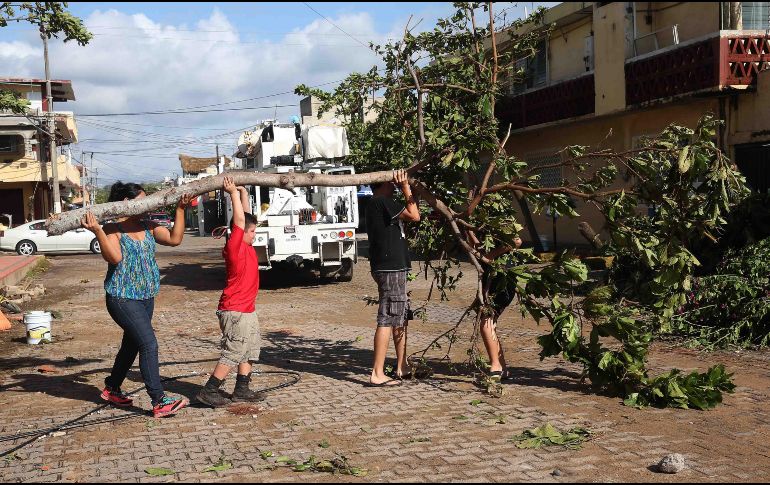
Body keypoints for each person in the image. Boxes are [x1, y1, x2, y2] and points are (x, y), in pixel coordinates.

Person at [81, 182, 192, 418]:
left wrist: (181, 209)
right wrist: (99, 231)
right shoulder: (112, 229)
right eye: (142, 201)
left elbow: (175, 239)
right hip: (122, 297)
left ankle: (112, 388)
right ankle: (159, 400)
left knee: (131, 345)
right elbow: (115, 258)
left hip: (145, 297)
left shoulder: (149, 226)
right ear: (126, 203)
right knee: (148, 344)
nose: (147, 205)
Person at [196, 176, 264, 407]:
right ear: (240, 233)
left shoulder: (245, 244)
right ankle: (209, 390)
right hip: (234, 310)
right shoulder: (235, 247)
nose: (255, 234)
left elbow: (244, 217)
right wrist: (232, 193)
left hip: (248, 309)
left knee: (250, 350)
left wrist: (244, 194)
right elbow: (239, 221)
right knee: (233, 351)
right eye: (252, 231)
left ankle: (242, 389)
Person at [366, 169, 421, 387]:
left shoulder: (380, 204)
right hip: (390, 269)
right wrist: (406, 187)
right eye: (391, 181)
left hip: (391, 267)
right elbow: (415, 216)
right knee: (388, 316)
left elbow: (412, 210)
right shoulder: (381, 202)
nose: (394, 184)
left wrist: (409, 190)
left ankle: (402, 365)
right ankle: (377, 373)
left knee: (400, 314)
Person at [469, 231, 523, 383]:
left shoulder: (499, 221)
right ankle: (502, 367)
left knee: (486, 323)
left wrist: (496, 252)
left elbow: (517, 241)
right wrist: (470, 233)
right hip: (490, 282)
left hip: (503, 282)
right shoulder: (475, 226)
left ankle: (496, 365)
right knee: (489, 324)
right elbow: (477, 254)